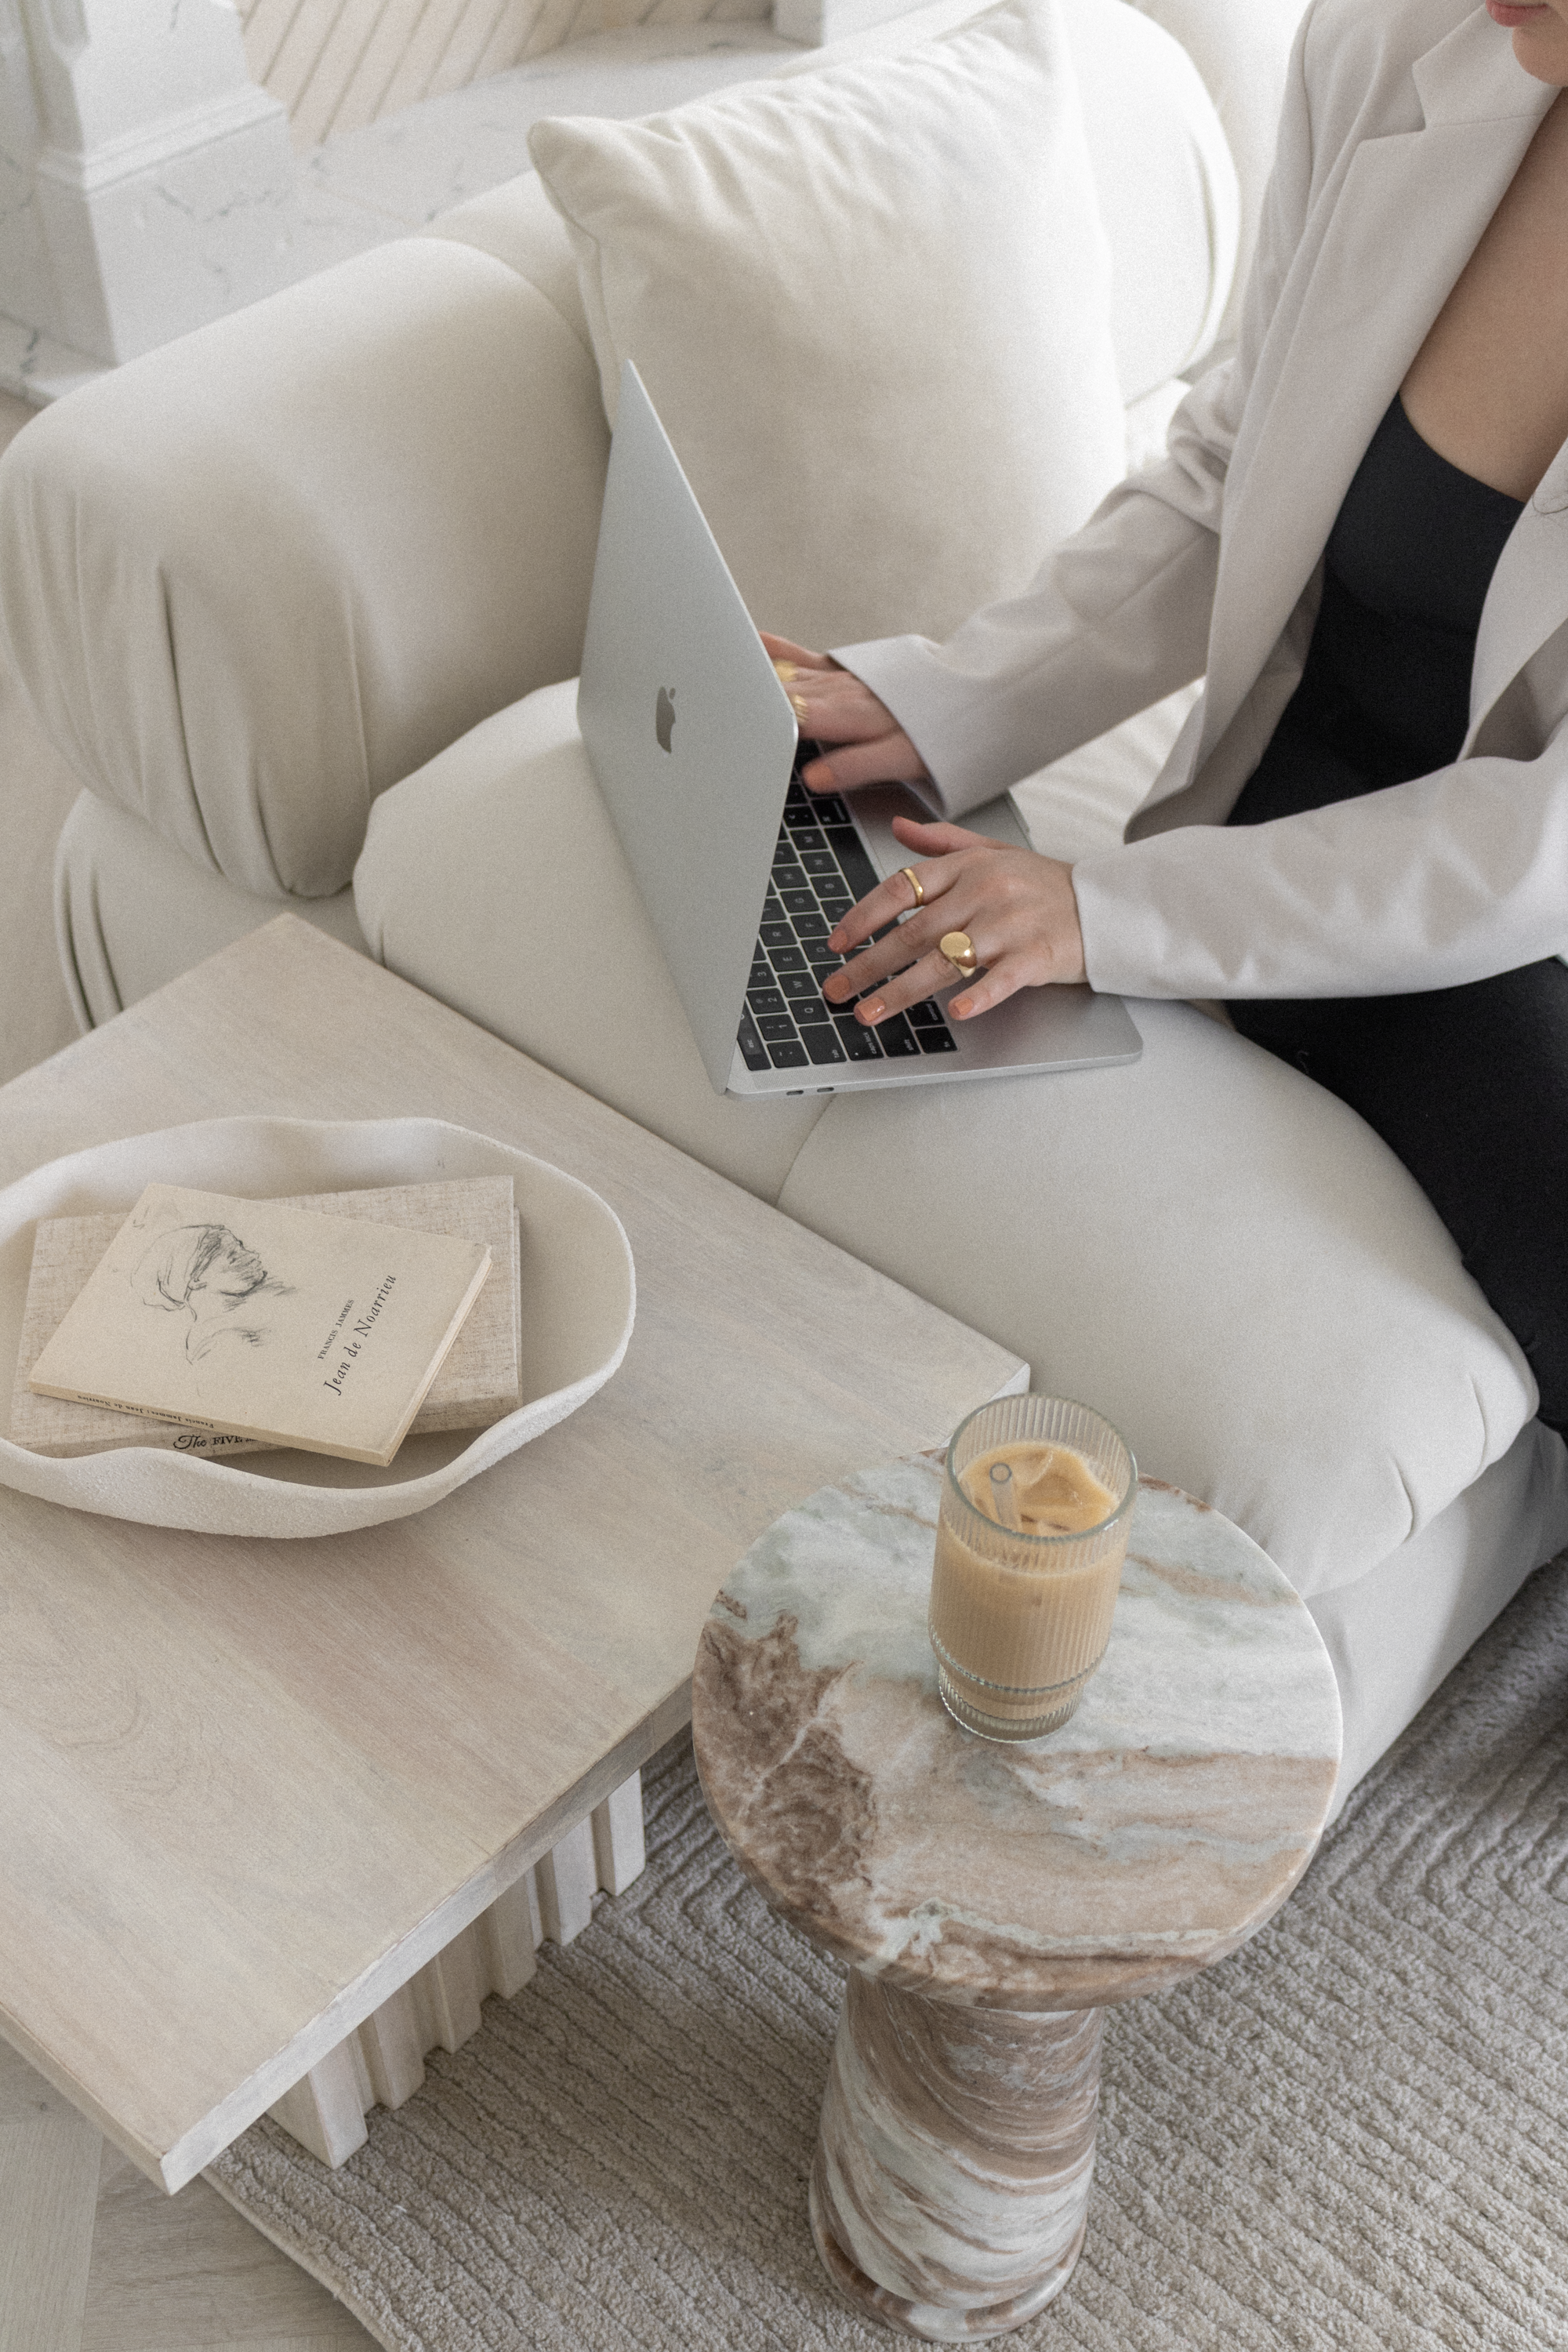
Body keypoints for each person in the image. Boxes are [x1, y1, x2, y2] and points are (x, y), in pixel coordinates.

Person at [765, 0, 1568, 1437]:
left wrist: (1097, 909)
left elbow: (1538, 848)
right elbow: (1235, 459)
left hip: (1519, 900)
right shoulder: (1396, 47)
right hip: (1291, 821)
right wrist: (945, 700)